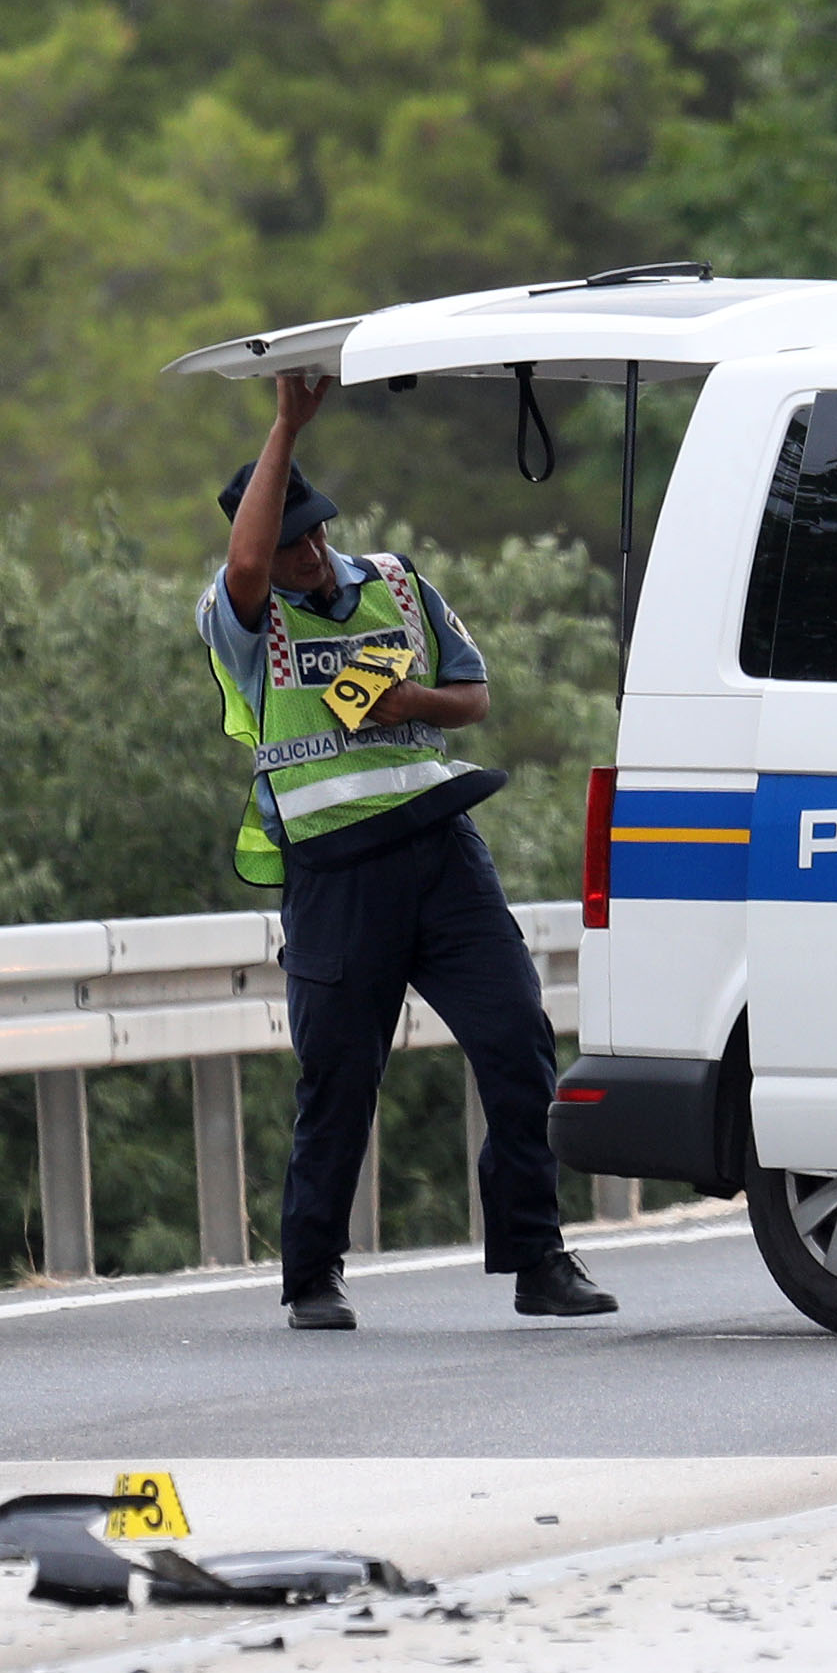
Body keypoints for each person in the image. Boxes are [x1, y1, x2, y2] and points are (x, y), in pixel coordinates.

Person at [202, 372, 616, 1332]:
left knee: (518, 1041)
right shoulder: (241, 617)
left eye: (317, 531)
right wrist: (284, 424)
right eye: (288, 537)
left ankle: (536, 1260)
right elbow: (250, 567)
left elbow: (471, 696)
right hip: (336, 871)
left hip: (440, 847)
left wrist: (411, 705)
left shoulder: (394, 582)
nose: (308, 551)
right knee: (339, 1080)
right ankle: (312, 1274)